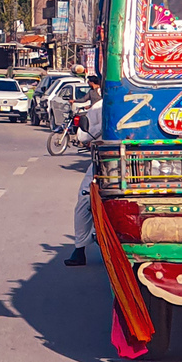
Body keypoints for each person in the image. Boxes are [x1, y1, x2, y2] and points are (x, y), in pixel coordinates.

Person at [64, 85, 108, 265]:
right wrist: (103, 126)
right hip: (104, 161)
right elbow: (83, 136)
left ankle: (80, 249)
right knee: (84, 200)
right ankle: (79, 249)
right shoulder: (99, 108)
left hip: (135, 161)